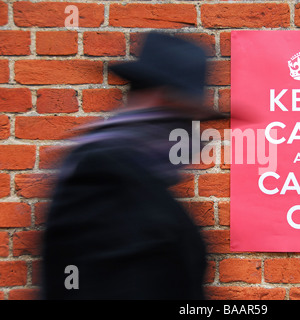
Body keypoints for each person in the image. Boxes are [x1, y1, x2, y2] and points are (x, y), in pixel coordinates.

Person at [41, 32, 224, 299]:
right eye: (189, 116)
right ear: (165, 100)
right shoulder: (101, 176)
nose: (193, 134)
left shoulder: (132, 169)